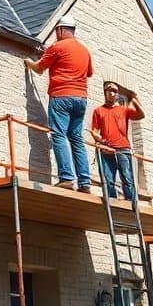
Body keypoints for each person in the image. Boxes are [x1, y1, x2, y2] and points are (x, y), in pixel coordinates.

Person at [24, 15, 94, 192]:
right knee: (76, 138)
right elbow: (90, 73)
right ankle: (85, 182)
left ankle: (67, 178)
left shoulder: (57, 47)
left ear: (61, 30)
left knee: (59, 134)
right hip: (81, 99)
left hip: (62, 96)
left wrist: (29, 63)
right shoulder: (85, 50)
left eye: (57, 31)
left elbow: (40, 69)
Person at [90, 81, 145, 201]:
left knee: (127, 178)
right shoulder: (98, 111)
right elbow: (94, 130)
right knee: (108, 179)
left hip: (123, 149)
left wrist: (134, 100)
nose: (112, 93)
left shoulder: (123, 110)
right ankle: (112, 200)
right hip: (106, 149)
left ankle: (132, 203)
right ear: (105, 92)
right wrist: (98, 138)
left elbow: (141, 115)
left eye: (115, 91)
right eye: (110, 90)